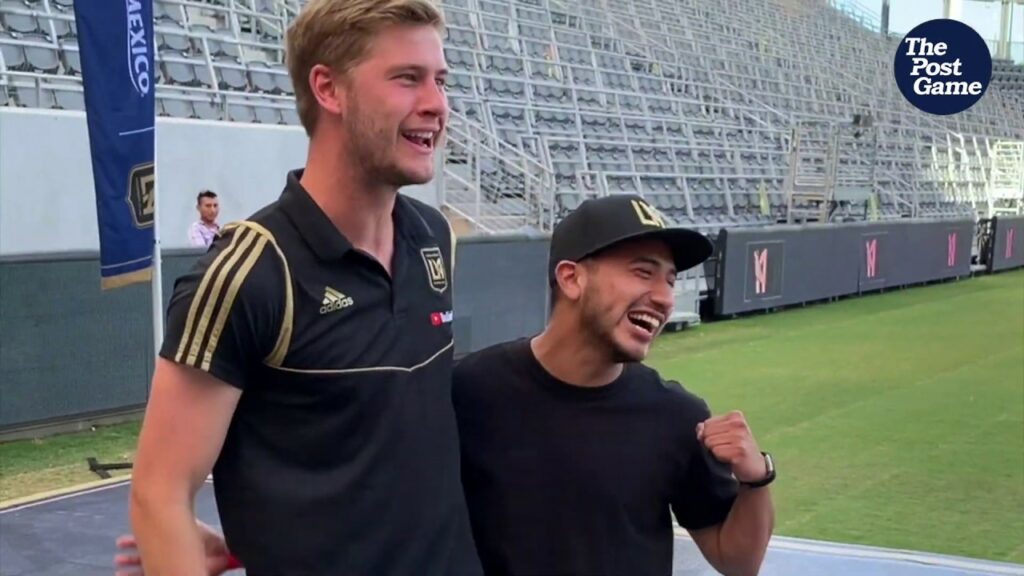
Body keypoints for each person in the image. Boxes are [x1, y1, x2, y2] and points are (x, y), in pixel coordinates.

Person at [118, 196, 775, 576]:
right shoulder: (471, 391)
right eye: (642, 271)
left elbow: (735, 558)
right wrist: (243, 545)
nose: (663, 296)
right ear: (571, 278)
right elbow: (382, 497)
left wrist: (756, 479)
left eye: (668, 279)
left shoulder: (676, 416)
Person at [125, 0, 481, 575]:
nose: (437, 105)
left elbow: (384, 449)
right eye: (407, 78)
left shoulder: (434, 237)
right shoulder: (247, 272)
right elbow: (159, 494)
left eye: (440, 80)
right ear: (329, 89)